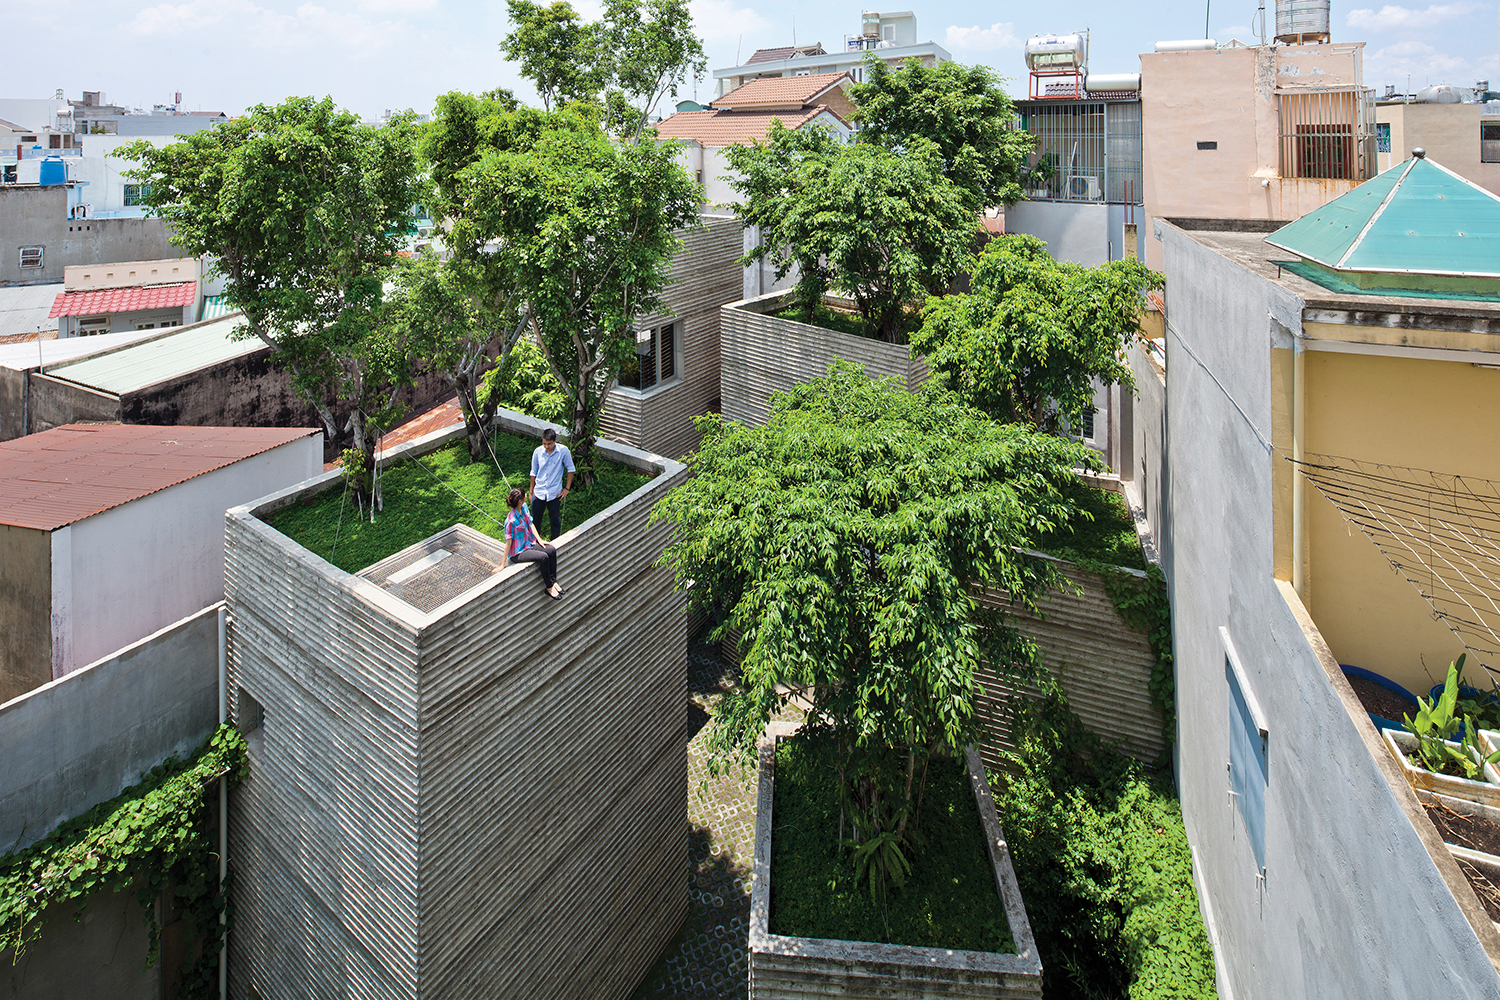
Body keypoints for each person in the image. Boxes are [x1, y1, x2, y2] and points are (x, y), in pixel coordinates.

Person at [501, 487, 562, 599]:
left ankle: (553, 581)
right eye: (524, 495)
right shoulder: (510, 521)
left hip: (529, 543)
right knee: (543, 557)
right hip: (518, 552)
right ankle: (549, 587)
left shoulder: (524, 508)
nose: (526, 496)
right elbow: (508, 544)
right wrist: (502, 564)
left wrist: (540, 540)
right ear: (520, 500)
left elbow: (531, 524)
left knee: (551, 550)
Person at [529, 427, 575, 541]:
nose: (546, 446)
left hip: (555, 494)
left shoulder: (563, 451)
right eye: (544, 443)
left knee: (555, 521)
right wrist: (531, 492)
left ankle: (555, 544)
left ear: (555, 441)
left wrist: (567, 489)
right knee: (535, 521)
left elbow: (571, 469)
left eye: (549, 444)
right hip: (539, 492)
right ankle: (535, 542)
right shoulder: (538, 452)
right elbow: (533, 472)